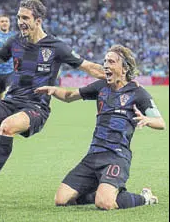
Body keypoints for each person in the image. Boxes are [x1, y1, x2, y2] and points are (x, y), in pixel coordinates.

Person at [0, 0, 105, 203]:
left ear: (38, 20)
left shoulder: (56, 46)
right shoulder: (15, 41)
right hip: (11, 100)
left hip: (36, 106)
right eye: (18, 17)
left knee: (7, 127)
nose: (20, 21)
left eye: (25, 18)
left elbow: (88, 67)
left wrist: (120, 77)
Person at [35, 44, 166, 210]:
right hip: (93, 155)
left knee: (104, 203)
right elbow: (69, 96)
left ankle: (145, 198)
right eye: (105, 61)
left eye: (111, 62)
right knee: (61, 200)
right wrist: (54, 90)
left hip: (117, 157)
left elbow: (161, 123)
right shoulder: (100, 87)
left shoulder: (138, 93)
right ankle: (103, 189)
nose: (106, 65)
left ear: (124, 68)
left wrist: (147, 119)